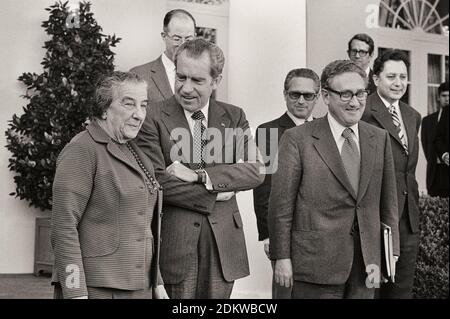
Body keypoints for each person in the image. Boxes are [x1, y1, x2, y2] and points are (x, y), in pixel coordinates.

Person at [135, 38, 264, 299]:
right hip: (174, 243)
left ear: (216, 81)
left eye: (197, 80)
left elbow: (258, 170)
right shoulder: (152, 116)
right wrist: (215, 193)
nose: (186, 88)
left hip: (224, 246)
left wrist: (201, 176)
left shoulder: (234, 115)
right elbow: (156, 181)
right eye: (181, 77)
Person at [268, 60, 399, 299]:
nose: (354, 101)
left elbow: (388, 202)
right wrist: (282, 257)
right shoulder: (297, 139)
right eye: (345, 94)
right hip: (315, 266)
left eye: (360, 93)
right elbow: (281, 206)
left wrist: (393, 252)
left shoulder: (379, 138)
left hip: (367, 267)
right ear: (326, 96)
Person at [50, 72, 168, 299]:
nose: (139, 115)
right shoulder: (82, 149)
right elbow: (64, 225)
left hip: (140, 288)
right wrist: (75, 292)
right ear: (103, 109)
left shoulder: (138, 154)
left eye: (143, 105)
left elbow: (143, 227)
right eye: (129, 104)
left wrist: (157, 281)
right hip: (95, 289)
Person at [252, 68, 320, 299]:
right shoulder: (267, 131)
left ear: (317, 97)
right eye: (295, 94)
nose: (301, 100)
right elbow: (263, 187)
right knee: (285, 293)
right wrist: (268, 235)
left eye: (308, 95)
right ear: (285, 95)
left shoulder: (328, 130)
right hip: (285, 232)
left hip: (323, 232)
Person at [362, 50, 422, 299]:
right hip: (375, 217)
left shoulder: (412, 115)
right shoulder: (362, 111)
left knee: (400, 290)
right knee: (371, 288)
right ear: (376, 79)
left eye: (403, 76)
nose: (398, 83)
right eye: (391, 76)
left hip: (407, 219)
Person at [130, 9, 196, 103]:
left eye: (188, 39)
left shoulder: (202, 74)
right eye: (177, 39)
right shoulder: (138, 74)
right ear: (164, 36)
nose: (183, 45)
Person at [421, 81, 449, 197]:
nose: (447, 99)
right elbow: (426, 145)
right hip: (434, 172)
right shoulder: (427, 121)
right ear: (438, 97)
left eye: (449, 96)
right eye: (444, 96)